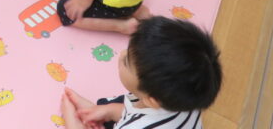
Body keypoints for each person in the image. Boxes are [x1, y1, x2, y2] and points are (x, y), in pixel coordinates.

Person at [60, 17, 222, 129]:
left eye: (126, 62)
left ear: (151, 100)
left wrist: (73, 124)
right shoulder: (188, 96)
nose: (121, 54)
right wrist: (108, 111)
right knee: (111, 104)